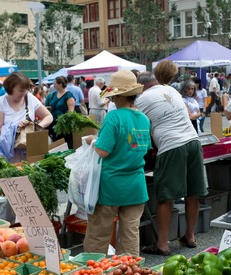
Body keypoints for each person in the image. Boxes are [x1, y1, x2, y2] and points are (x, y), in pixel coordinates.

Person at [135, 60, 208, 255]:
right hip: (193, 141)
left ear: (141, 86)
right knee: (193, 192)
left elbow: (138, 129)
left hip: (171, 145)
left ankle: (162, 244)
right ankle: (190, 236)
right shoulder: (173, 91)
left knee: (165, 196)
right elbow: (184, 114)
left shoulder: (141, 100)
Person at [83, 70, 151, 256]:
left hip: (110, 187)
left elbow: (103, 151)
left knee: (99, 235)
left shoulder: (114, 117)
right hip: (136, 187)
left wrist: (92, 141)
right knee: (130, 235)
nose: (111, 100)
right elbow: (143, 148)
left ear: (118, 96)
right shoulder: (144, 119)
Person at [0, 72, 53, 163]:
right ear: (10, 88)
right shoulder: (0, 102)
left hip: (29, 151)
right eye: (20, 90)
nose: (24, 93)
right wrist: (15, 126)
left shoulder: (30, 98)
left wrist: (36, 127)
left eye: (25, 90)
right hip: (7, 155)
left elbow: (48, 116)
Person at [45, 76, 75, 147]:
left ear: (60, 84)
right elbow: (52, 106)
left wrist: (64, 120)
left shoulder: (68, 95)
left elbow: (71, 111)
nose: (53, 85)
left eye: (55, 84)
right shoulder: (54, 94)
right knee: (56, 143)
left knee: (66, 143)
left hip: (63, 125)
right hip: (54, 123)